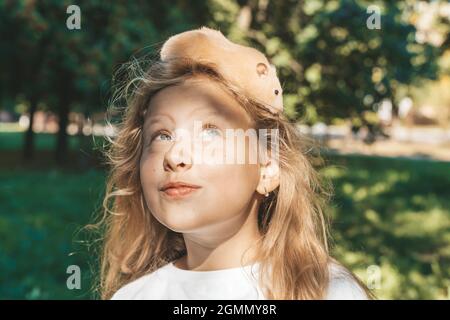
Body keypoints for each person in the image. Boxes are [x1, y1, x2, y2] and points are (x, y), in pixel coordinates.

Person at [94, 26, 372, 300]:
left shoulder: (327, 290)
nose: (175, 156)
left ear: (267, 166)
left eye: (210, 132)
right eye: (162, 135)